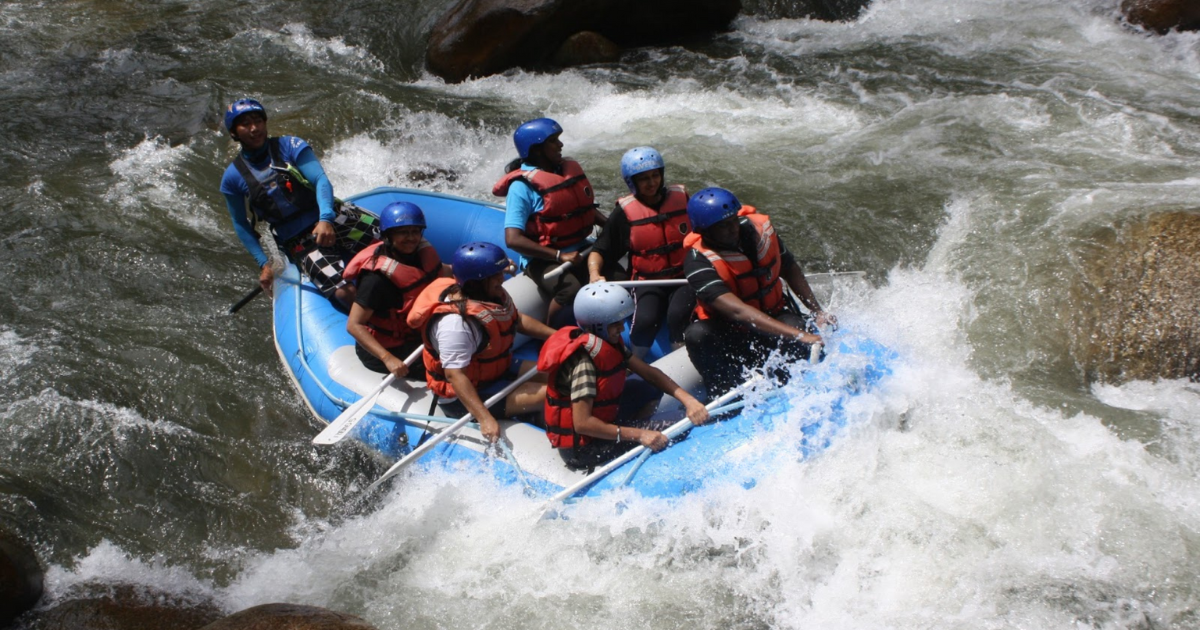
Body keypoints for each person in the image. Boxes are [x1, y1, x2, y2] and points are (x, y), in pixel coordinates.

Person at [218, 98, 379, 306]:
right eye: (245, 124)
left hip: (330, 215)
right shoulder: (232, 178)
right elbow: (240, 223)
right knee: (345, 293)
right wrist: (263, 264)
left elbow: (320, 179)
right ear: (233, 133)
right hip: (299, 240)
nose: (254, 128)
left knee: (396, 237)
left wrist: (326, 219)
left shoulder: (290, 145)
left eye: (258, 121)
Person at [681, 187, 835, 397]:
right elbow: (738, 312)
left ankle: (788, 384)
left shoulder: (759, 233)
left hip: (774, 315)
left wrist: (817, 311)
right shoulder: (697, 262)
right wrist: (801, 336)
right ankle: (723, 392)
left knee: (795, 325)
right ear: (704, 231)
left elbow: (789, 267)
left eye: (733, 221)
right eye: (723, 227)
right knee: (696, 334)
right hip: (732, 334)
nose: (732, 229)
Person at [538, 282, 709, 471]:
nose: (621, 328)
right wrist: (640, 434)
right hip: (585, 448)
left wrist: (689, 400)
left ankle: (635, 425)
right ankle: (636, 432)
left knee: (646, 387)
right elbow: (582, 424)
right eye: (616, 324)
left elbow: (649, 373)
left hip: (604, 421)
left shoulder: (609, 342)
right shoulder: (584, 366)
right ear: (598, 325)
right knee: (679, 421)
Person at [407, 242, 557, 442]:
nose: (500, 279)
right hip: (463, 396)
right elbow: (455, 375)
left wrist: (556, 335)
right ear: (475, 282)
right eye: (494, 275)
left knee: (559, 374)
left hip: (495, 370)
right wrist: (484, 418)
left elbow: (516, 319)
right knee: (554, 392)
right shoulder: (456, 324)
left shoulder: (492, 296)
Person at [492, 118, 605, 325]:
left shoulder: (564, 171)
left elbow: (585, 210)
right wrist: (559, 255)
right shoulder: (521, 188)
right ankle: (550, 332)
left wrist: (613, 227)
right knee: (569, 290)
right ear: (536, 150)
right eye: (553, 141)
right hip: (543, 258)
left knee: (616, 272)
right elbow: (513, 239)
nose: (560, 145)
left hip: (581, 249)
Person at [587, 146, 695, 357]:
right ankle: (635, 362)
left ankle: (680, 360)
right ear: (632, 182)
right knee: (646, 320)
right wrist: (594, 273)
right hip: (646, 280)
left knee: (678, 314)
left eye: (655, 175)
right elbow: (600, 250)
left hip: (683, 278)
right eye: (644, 178)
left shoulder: (682, 200)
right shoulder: (624, 213)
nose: (652, 182)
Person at [344, 201, 447, 379]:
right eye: (403, 232)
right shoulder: (376, 279)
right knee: (450, 369)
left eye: (415, 232)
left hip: (419, 334)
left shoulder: (418, 255)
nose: (411, 238)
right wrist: (387, 358)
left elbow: (442, 270)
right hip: (388, 349)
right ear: (388, 236)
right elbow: (354, 325)